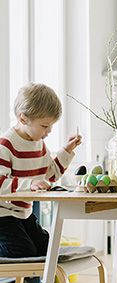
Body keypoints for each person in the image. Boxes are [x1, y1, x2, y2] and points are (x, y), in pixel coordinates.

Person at [0, 83, 82, 258]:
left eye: (51, 126)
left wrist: (66, 151)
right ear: (23, 119)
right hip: (3, 216)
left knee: (47, 248)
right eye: (45, 126)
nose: (49, 131)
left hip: (23, 214)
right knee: (23, 251)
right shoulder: (5, 145)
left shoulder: (39, 144)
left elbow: (51, 175)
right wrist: (29, 185)